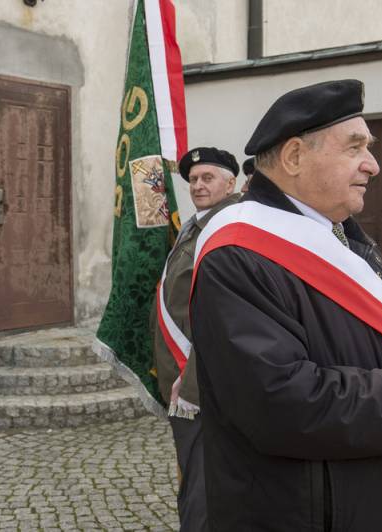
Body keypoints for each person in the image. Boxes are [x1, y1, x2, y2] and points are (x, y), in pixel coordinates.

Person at [189, 80, 382, 531]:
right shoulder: (237, 254)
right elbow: (281, 403)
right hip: (302, 513)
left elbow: (366, 328)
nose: (373, 164)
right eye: (355, 147)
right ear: (294, 157)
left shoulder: (340, 232)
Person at [151, 147, 240, 531]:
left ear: (231, 184)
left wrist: (190, 383)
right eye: (192, 179)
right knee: (194, 477)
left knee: (201, 489)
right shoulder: (200, 224)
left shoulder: (227, 227)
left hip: (202, 384)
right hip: (187, 378)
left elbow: (225, 316)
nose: (198, 185)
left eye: (208, 178)